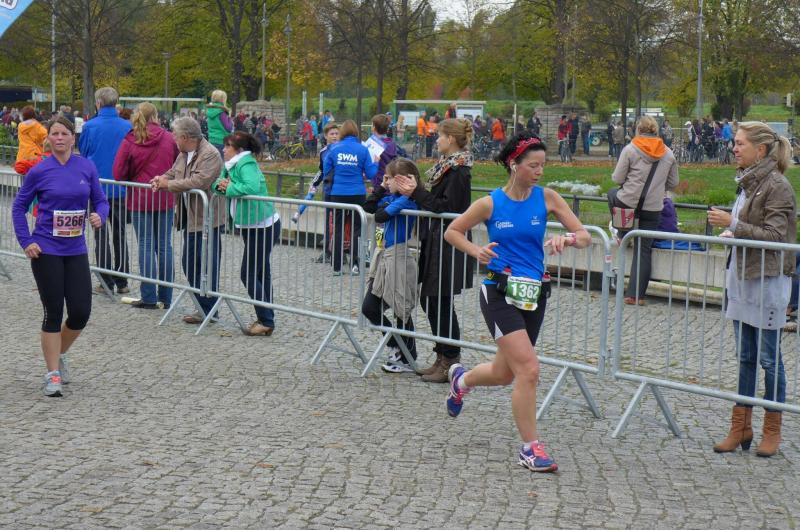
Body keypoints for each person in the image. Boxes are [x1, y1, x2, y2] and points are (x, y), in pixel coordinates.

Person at [443, 131, 591, 472]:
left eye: (542, 165)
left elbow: (584, 236)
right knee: (529, 369)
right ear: (514, 165)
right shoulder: (491, 203)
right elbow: (452, 231)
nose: (539, 171)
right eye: (533, 165)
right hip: (499, 292)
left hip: (534, 293)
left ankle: (461, 381)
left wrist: (567, 239)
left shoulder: (547, 197)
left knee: (503, 373)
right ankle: (530, 448)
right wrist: (476, 251)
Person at [707, 122, 796, 458]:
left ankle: (772, 428)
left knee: (769, 360)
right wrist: (734, 233)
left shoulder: (778, 185)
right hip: (742, 277)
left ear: (760, 150)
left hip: (768, 280)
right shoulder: (746, 183)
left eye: (740, 143)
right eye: (735, 142)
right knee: (745, 357)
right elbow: (751, 228)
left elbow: (775, 236)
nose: (734, 148)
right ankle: (740, 426)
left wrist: (733, 225)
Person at [12, 117, 109, 397]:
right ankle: (52, 374)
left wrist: (99, 216)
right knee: (53, 311)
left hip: (75, 249)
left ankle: (59, 353)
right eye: (54, 133)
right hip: (46, 250)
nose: (59, 138)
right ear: (48, 139)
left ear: (72, 137)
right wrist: (26, 241)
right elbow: (18, 208)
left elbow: (100, 200)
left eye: (64, 133)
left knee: (80, 312)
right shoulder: (39, 171)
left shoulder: (86, 167)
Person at [395, 118, 474, 383]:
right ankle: (442, 355)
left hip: (449, 241)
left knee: (438, 299)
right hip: (437, 239)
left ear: (450, 139)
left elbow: (445, 207)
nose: (436, 140)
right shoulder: (448, 166)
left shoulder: (459, 170)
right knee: (432, 299)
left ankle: (450, 359)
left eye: (439, 136)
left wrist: (416, 192)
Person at [150, 117, 226, 324]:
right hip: (190, 218)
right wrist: (160, 178)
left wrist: (168, 185)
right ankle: (203, 307)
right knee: (190, 263)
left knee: (206, 265)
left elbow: (199, 181)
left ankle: (209, 310)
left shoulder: (210, 154)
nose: (173, 139)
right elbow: (173, 172)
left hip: (207, 219)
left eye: (175, 136)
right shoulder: (183, 153)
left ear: (185, 137)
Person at [112, 102, 179, 309]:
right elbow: (178, 166)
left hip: (140, 198)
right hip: (165, 197)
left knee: (146, 245)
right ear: (156, 116)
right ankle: (166, 297)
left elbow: (118, 173)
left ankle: (149, 296)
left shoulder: (131, 139)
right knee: (164, 246)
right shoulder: (169, 138)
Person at [214, 131, 281, 336]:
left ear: (239, 150)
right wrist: (224, 186)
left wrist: (229, 187)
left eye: (228, 146)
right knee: (261, 272)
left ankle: (266, 320)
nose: (224, 149)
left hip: (262, 225)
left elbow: (250, 187)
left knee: (248, 273)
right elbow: (217, 184)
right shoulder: (231, 165)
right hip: (250, 225)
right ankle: (266, 318)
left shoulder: (246, 164)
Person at [610, 115, 679, 305]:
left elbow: (617, 178)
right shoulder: (668, 153)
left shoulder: (630, 149)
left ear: (638, 130)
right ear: (656, 131)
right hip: (653, 207)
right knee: (644, 249)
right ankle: (636, 295)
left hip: (628, 203)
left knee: (612, 194)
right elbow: (673, 183)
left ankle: (622, 232)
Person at [362, 158, 421, 373]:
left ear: (401, 180)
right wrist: (381, 188)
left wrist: (402, 195)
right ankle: (396, 345)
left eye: (389, 178)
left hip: (399, 257)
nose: (385, 181)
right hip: (385, 256)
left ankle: (407, 356)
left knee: (400, 308)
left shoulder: (408, 201)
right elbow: (368, 206)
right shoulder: (392, 197)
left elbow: (380, 214)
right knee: (369, 307)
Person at [78, 86, 132, 295]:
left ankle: (105, 280)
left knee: (100, 235)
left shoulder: (90, 126)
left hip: (97, 188)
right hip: (121, 188)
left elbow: (84, 153)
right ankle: (122, 280)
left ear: (98, 103)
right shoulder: (127, 126)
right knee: (120, 234)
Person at [322, 119, 378, 275]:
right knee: (357, 229)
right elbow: (371, 174)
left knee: (338, 229)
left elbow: (326, 171)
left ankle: (337, 267)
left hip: (338, 193)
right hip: (357, 193)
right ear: (356, 132)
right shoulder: (363, 150)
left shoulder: (334, 149)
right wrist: (376, 163)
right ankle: (355, 264)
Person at [206, 90, 234, 157]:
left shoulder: (209, 110)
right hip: (221, 141)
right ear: (223, 99)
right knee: (221, 162)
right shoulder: (221, 112)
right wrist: (229, 119)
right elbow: (228, 128)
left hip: (211, 140)